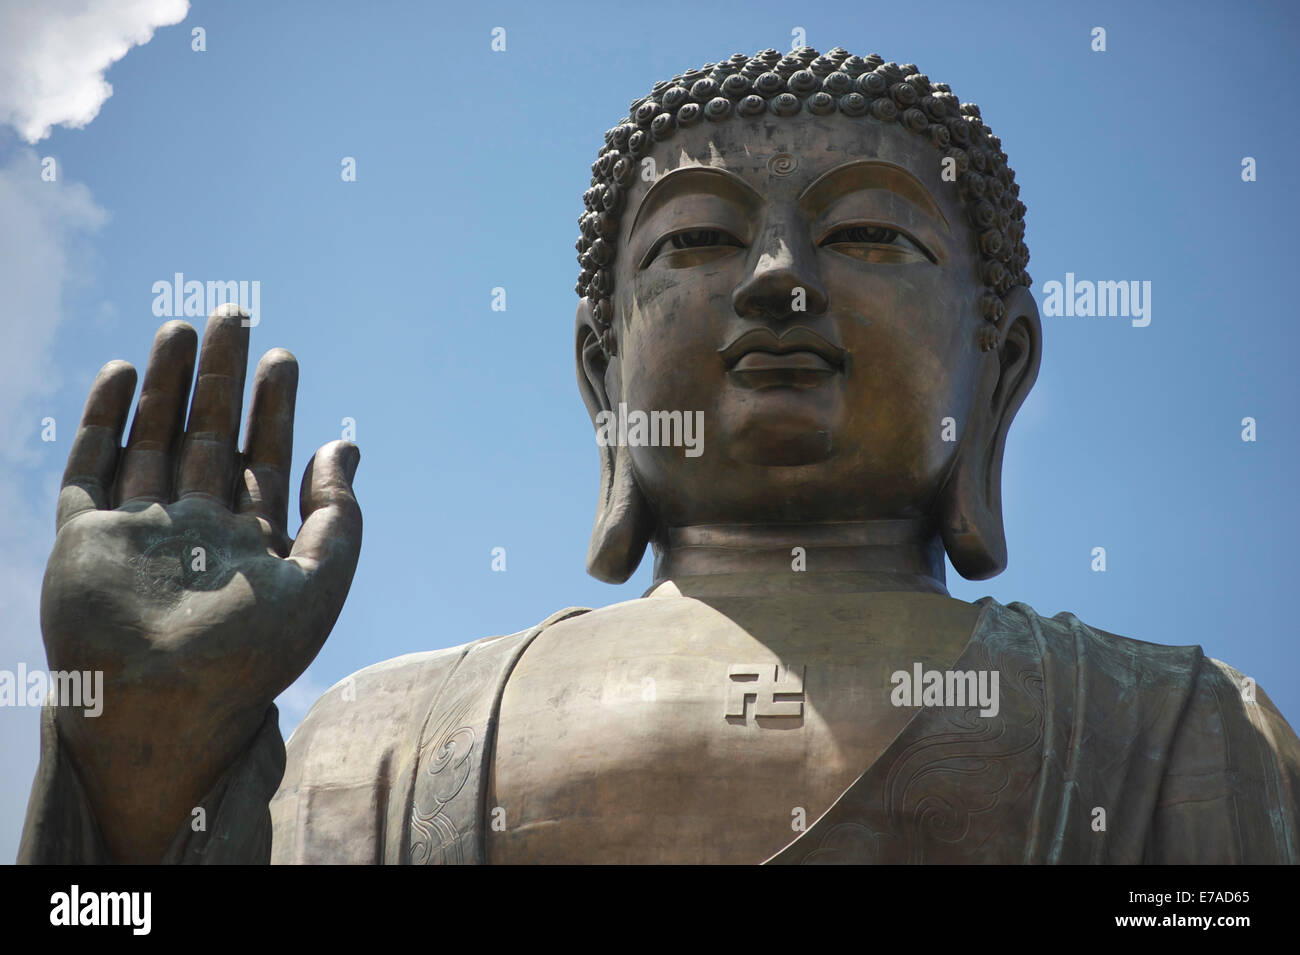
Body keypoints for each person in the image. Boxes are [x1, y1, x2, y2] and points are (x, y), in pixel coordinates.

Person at [20, 47, 1300, 864]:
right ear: (601, 370)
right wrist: (134, 769)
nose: (778, 281)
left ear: (1000, 362)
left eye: (866, 235)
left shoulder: (1181, 733)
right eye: (696, 243)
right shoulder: (383, 746)